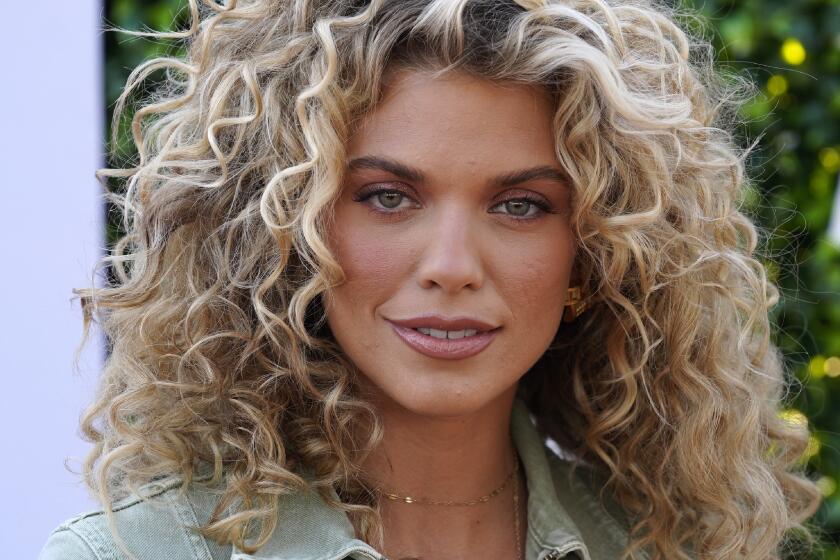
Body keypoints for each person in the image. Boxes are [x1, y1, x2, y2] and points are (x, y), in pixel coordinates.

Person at [39, 0, 822, 559]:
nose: (451, 266)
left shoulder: (667, 548)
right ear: (288, 230)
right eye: (388, 197)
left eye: (520, 205)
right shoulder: (131, 554)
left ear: (595, 254)